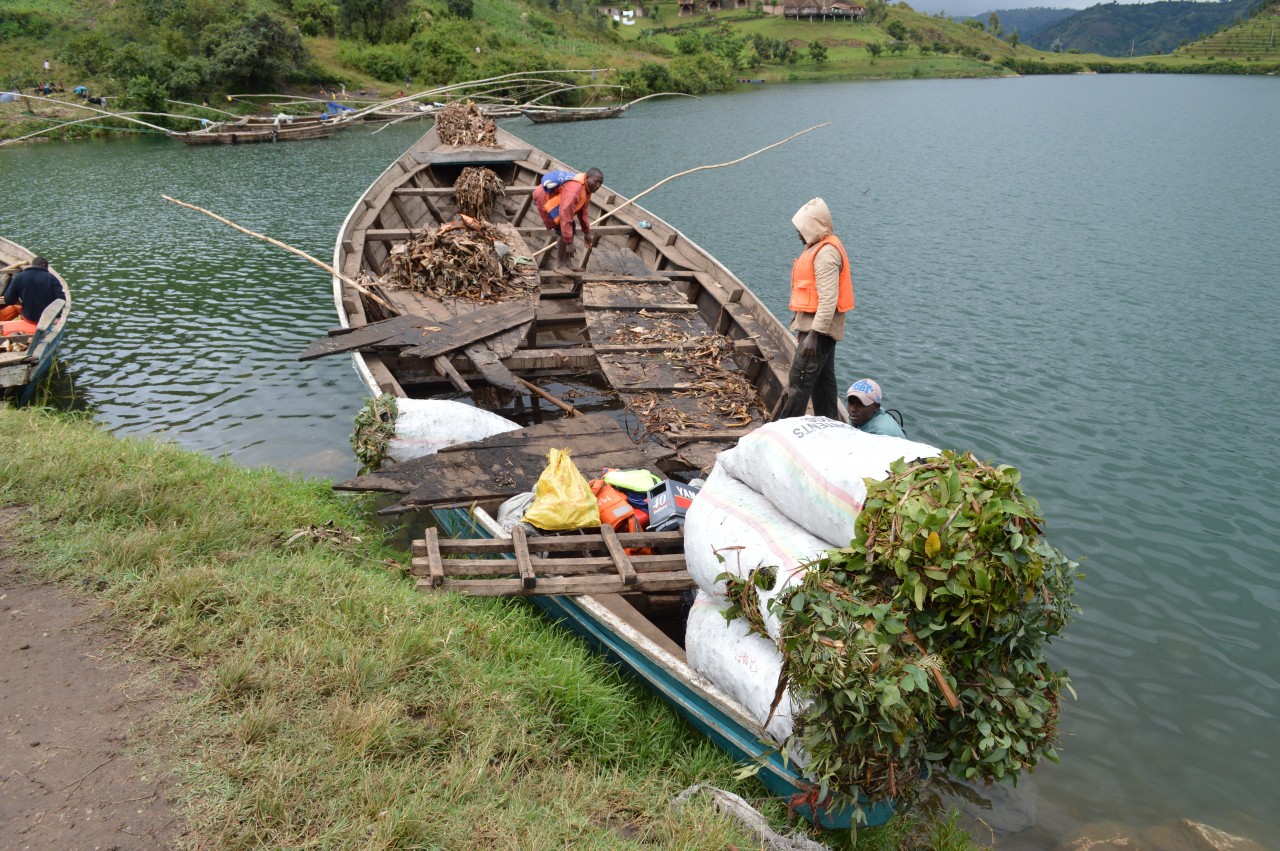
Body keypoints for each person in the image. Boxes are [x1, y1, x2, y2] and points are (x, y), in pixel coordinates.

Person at [777, 197, 854, 420]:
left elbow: (829, 300)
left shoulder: (826, 254)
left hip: (818, 335)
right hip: (819, 333)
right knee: (824, 388)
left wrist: (813, 335)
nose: (798, 233)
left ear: (813, 226)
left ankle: (785, 432)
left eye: (801, 228)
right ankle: (830, 429)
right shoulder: (819, 248)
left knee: (798, 385)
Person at [532, 168, 604, 274]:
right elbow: (565, 214)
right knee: (563, 230)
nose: (598, 186)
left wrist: (587, 232)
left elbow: (583, 211)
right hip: (545, 199)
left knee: (571, 227)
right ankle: (559, 265)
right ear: (587, 178)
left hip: (560, 201)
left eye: (600, 183)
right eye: (596, 181)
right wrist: (569, 243)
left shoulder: (587, 189)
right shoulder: (575, 188)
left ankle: (567, 263)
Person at [1, 256, 66, 336]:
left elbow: (8, 300)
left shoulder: (19, 277)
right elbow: (62, 300)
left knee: (15, 312)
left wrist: (19, 300)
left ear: (32, 265)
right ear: (44, 265)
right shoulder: (51, 278)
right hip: (49, 320)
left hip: (30, 319)